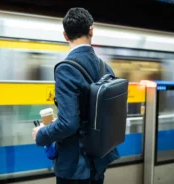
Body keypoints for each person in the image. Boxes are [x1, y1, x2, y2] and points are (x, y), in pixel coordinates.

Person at [32, 7, 119, 184]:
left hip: (76, 167)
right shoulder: (105, 68)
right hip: (98, 159)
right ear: (91, 30)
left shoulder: (66, 69)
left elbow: (69, 124)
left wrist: (42, 134)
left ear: (65, 36)